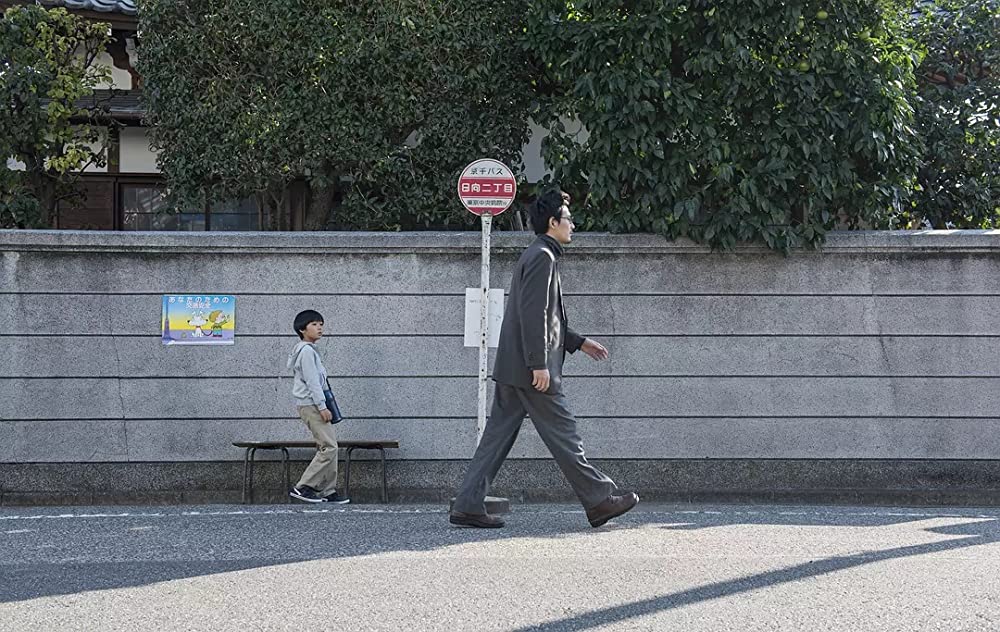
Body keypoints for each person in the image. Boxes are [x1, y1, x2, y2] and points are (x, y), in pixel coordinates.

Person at [450, 188, 638, 528]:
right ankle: (598, 500)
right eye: (568, 219)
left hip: (515, 366)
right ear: (553, 222)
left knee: (496, 438)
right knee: (564, 432)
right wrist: (539, 363)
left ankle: (467, 504)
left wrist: (578, 342)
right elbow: (533, 313)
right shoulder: (542, 257)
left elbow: (544, 317)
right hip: (529, 369)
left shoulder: (538, 253)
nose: (573, 225)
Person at [287, 309, 350, 504]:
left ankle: (327, 490)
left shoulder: (309, 350)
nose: (319, 327)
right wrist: (322, 406)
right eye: (314, 324)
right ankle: (303, 486)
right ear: (302, 329)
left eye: (321, 324)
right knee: (329, 447)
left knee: (331, 446)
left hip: (313, 404)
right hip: (312, 405)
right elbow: (313, 382)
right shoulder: (306, 351)